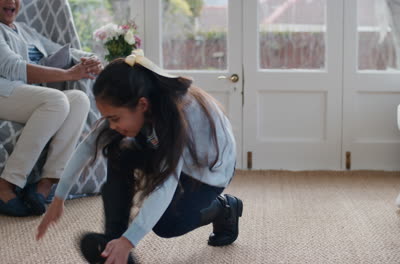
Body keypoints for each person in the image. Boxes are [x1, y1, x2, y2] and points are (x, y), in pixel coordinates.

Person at [36, 50, 243, 264]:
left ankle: (224, 208)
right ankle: (112, 241)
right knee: (118, 151)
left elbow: (167, 184)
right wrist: (59, 197)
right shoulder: (138, 99)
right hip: (173, 153)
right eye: (108, 118)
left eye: (115, 118)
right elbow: (89, 145)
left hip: (207, 173)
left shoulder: (175, 115)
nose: (112, 125)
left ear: (142, 105)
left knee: (167, 224)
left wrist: (129, 241)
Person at [0, 0, 102, 217]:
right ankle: (6, 185)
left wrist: (92, 60)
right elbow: (13, 67)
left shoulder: (26, 31)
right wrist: (67, 75)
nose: (11, 2)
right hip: (4, 91)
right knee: (56, 101)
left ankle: (45, 185)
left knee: (79, 99)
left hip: (24, 94)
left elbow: (64, 50)